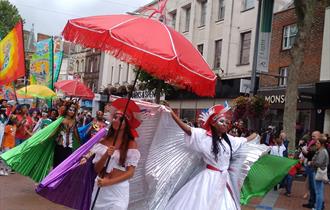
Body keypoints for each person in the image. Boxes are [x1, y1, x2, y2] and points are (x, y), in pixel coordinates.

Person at [165, 104, 258, 210]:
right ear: (213, 123)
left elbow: (244, 140)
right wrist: (172, 114)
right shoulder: (204, 136)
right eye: (222, 121)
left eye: (227, 123)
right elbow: (188, 130)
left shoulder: (229, 140)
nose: (225, 125)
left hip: (225, 179)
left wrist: (255, 134)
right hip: (208, 179)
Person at [81, 98, 141, 210]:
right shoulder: (103, 141)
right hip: (100, 188)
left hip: (118, 191)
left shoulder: (131, 145)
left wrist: (109, 182)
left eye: (121, 118)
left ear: (127, 123)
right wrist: (106, 155)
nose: (116, 120)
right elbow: (96, 169)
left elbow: (130, 173)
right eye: (115, 117)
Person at [53, 103, 81, 168]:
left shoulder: (74, 121)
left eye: (74, 110)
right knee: (57, 165)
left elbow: (76, 133)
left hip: (69, 146)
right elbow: (54, 131)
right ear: (66, 110)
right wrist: (44, 138)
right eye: (70, 110)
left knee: (66, 165)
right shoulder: (61, 119)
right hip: (59, 145)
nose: (72, 112)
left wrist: (81, 144)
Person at [309, 135, 329, 210]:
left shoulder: (322, 152)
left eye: (317, 143)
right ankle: (318, 207)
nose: (316, 144)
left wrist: (311, 162)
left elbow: (319, 163)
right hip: (319, 171)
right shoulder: (322, 151)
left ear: (322, 144)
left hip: (318, 172)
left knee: (318, 192)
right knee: (319, 191)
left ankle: (318, 208)